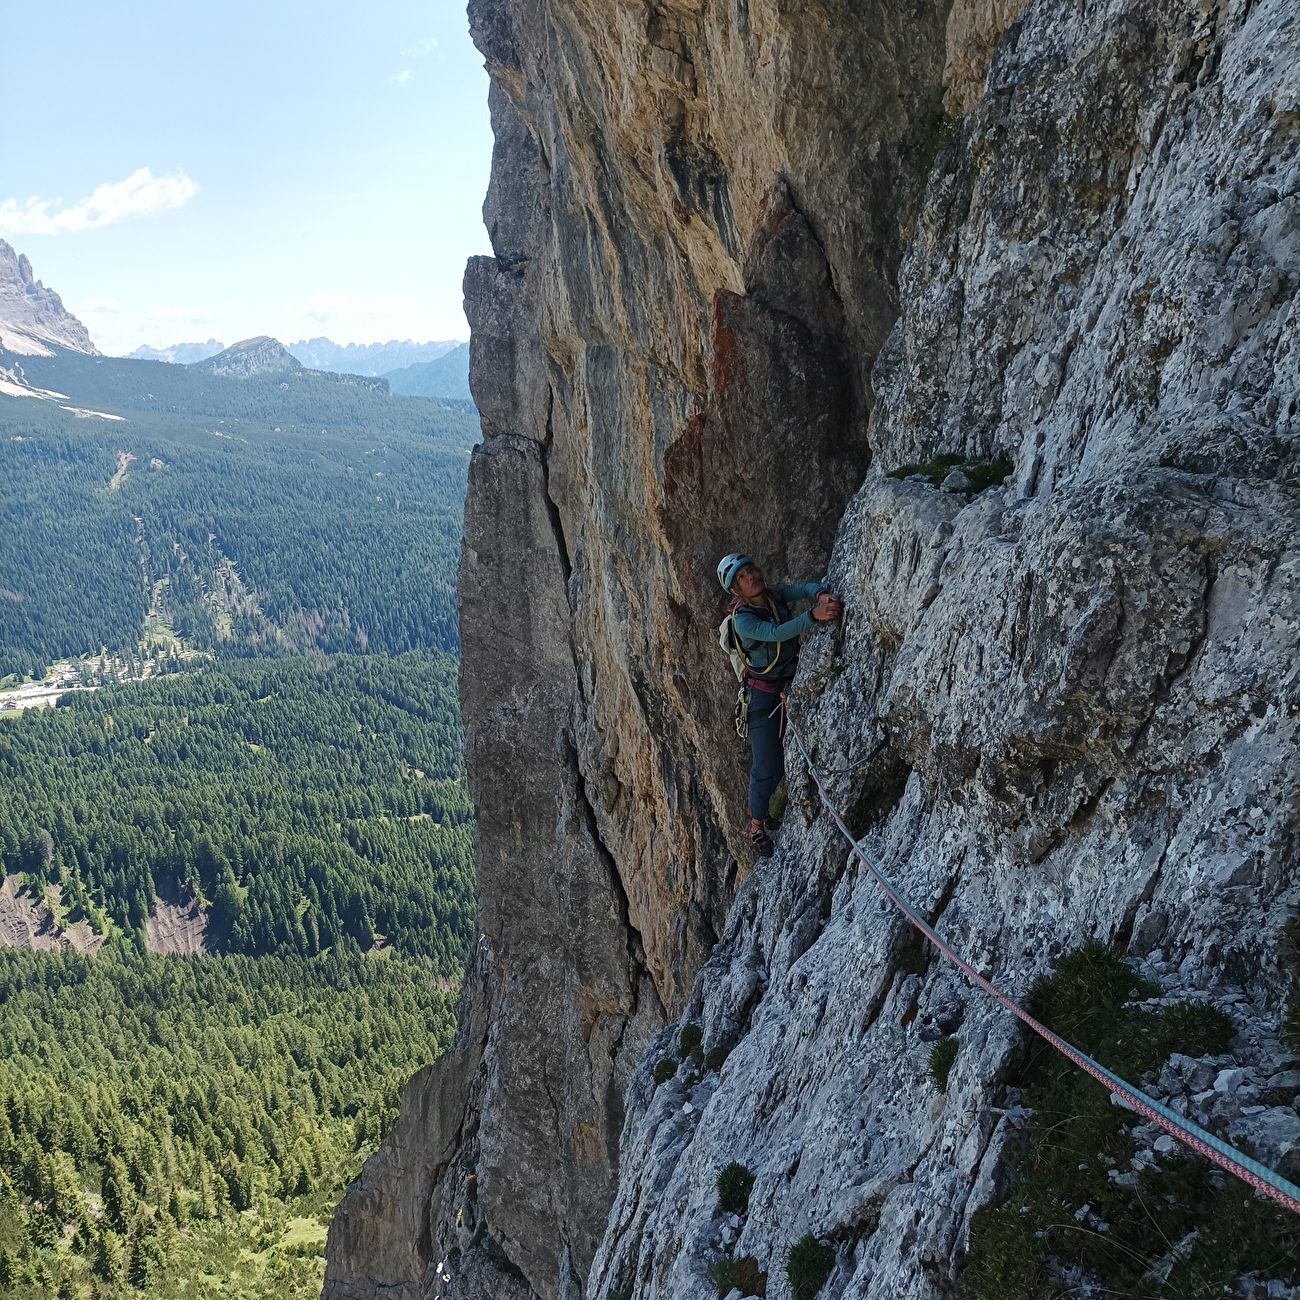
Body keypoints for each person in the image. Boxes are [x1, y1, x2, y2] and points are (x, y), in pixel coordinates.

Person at [716, 553, 842, 857]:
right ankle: (756, 825)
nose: (751, 576)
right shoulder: (743, 620)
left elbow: (802, 588)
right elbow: (774, 634)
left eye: (751, 569)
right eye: (742, 577)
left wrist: (820, 593)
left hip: (785, 681)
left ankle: (764, 812)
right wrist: (814, 616)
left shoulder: (771, 596)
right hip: (762, 694)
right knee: (767, 766)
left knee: (778, 765)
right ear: (735, 591)